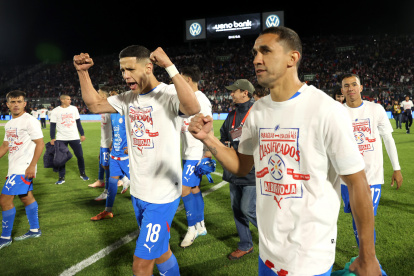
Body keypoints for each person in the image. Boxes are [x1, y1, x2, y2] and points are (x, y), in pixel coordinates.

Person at [189, 26, 381, 276]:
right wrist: (209, 139)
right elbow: (241, 166)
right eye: (255, 53)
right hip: (268, 250)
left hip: (309, 254)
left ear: (293, 58)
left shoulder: (327, 109)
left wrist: (367, 257)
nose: (257, 59)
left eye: (266, 51)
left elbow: (358, 184)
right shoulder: (257, 111)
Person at [73, 45, 200, 276]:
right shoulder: (127, 98)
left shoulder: (169, 93)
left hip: (161, 196)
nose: (125, 75)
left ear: (149, 67)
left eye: (130, 69)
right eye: (122, 70)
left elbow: (193, 107)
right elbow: (93, 104)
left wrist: (170, 66)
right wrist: (83, 72)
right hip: (139, 192)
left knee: (141, 265)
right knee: (161, 252)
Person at [340, 73, 402, 274]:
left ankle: (370, 263)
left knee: (365, 221)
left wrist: (397, 168)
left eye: (353, 85)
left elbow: (388, 139)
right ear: (342, 90)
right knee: (355, 221)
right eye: (346, 86)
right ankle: (363, 258)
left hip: (371, 177)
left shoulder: (375, 109)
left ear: (361, 87)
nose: (350, 88)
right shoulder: (337, 113)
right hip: (345, 178)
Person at [0, 90, 44, 250]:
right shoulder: (10, 123)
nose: (16, 104)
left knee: (4, 200)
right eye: (12, 102)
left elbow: (40, 143)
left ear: (25, 103)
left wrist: (32, 165)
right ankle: (34, 230)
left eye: (19, 101)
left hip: (23, 168)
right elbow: (6, 146)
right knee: (26, 198)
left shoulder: (30, 121)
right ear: (7, 105)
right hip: (14, 167)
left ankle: (5, 237)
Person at [220, 79, 257, 260]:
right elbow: (223, 139)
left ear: (245, 92)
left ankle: (278, 238)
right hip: (234, 173)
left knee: (248, 209)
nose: (231, 94)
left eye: (234, 91)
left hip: (253, 173)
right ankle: (245, 244)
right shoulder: (231, 116)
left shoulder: (258, 112)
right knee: (237, 210)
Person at [179, 65, 213, 248]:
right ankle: (201, 225)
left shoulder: (201, 100)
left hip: (195, 153)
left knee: (184, 189)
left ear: (188, 80)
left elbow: (209, 126)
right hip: (187, 152)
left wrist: (206, 155)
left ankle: (191, 229)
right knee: (193, 189)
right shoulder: (187, 100)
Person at [91, 94, 130, 220]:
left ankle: (147, 213)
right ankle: (108, 210)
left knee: (139, 188)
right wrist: (112, 142)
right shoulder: (112, 115)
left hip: (126, 157)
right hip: (115, 156)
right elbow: (114, 131)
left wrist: (131, 146)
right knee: (112, 183)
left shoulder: (129, 113)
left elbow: (136, 132)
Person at [50, 94, 89, 184]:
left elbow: (78, 122)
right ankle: (61, 177)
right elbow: (52, 125)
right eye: (68, 99)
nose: (70, 101)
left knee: (80, 156)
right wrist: (52, 138)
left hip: (74, 137)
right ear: (62, 100)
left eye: (70, 99)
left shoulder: (74, 108)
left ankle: (82, 173)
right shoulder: (55, 111)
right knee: (61, 158)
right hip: (61, 138)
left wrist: (82, 134)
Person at [89, 87, 112, 190]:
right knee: (101, 161)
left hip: (109, 144)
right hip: (104, 143)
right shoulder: (103, 110)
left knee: (107, 165)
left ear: (103, 96)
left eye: (98, 93)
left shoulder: (111, 110)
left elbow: (117, 129)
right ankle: (100, 181)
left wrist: (112, 144)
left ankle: (108, 190)